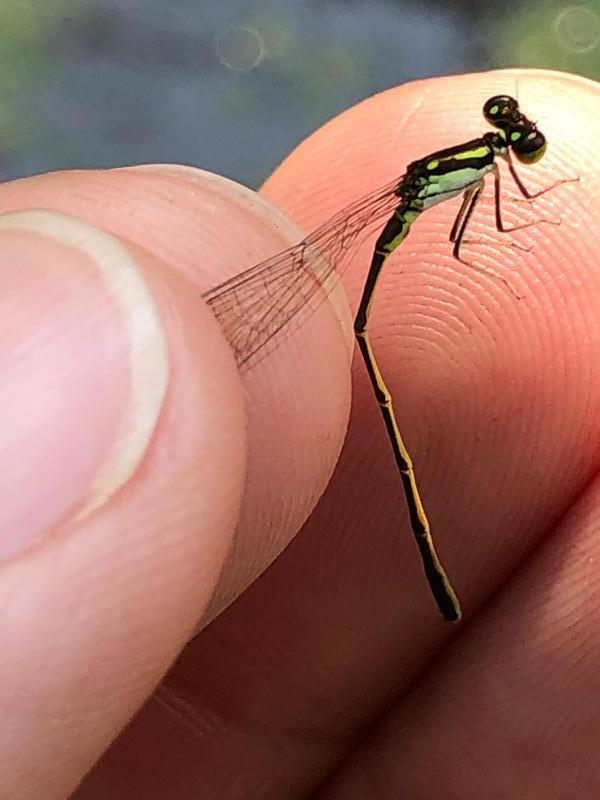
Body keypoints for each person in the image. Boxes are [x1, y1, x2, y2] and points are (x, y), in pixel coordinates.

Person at [2, 71, 599, 799]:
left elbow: (482, 230)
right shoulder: (480, 167)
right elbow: (498, 226)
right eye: (517, 134)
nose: (520, 140)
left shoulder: (475, 163)